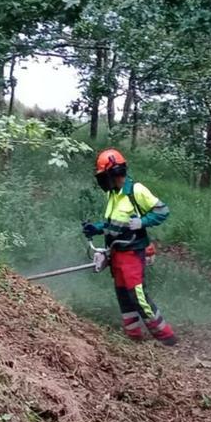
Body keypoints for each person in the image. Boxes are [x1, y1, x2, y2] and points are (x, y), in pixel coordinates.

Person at [82, 148, 177, 346]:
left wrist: (143, 222)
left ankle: (166, 337)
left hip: (132, 252)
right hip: (116, 252)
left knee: (138, 296)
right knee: (123, 295)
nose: (102, 181)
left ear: (114, 173)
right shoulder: (113, 194)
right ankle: (133, 336)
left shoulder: (136, 191)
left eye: (103, 176)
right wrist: (96, 228)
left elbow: (163, 211)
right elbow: (113, 223)